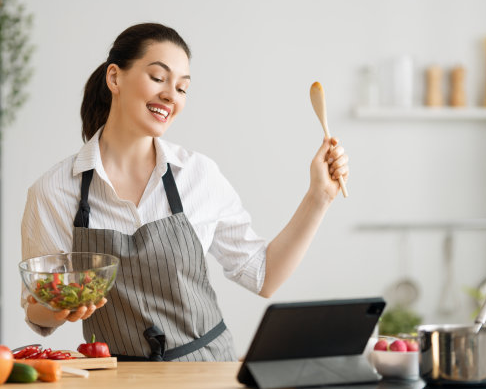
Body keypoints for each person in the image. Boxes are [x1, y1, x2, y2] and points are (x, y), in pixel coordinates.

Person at [21, 22, 349, 362]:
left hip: (208, 371)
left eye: (182, 88)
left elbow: (262, 276)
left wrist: (318, 197)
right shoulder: (55, 190)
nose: (170, 95)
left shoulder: (198, 175)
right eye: (158, 78)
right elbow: (36, 313)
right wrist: (60, 310)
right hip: (117, 379)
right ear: (115, 77)